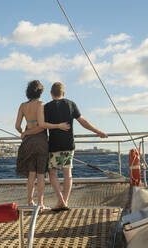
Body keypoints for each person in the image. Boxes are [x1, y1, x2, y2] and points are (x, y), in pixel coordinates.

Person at [37, 82, 108, 211]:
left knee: (53, 173)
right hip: (68, 144)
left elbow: (42, 125)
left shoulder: (46, 107)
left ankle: (60, 201)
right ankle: (65, 201)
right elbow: (83, 122)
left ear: (51, 94)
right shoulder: (71, 104)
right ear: (63, 93)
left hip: (54, 145)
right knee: (67, 174)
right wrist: (98, 132)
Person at [15, 80, 69, 211]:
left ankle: (30, 201)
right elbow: (41, 127)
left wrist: (24, 133)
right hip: (40, 142)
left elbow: (17, 126)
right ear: (40, 92)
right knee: (40, 175)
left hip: (28, 142)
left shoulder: (22, 106)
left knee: (31, 174)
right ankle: (40, 203)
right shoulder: (41, 104)